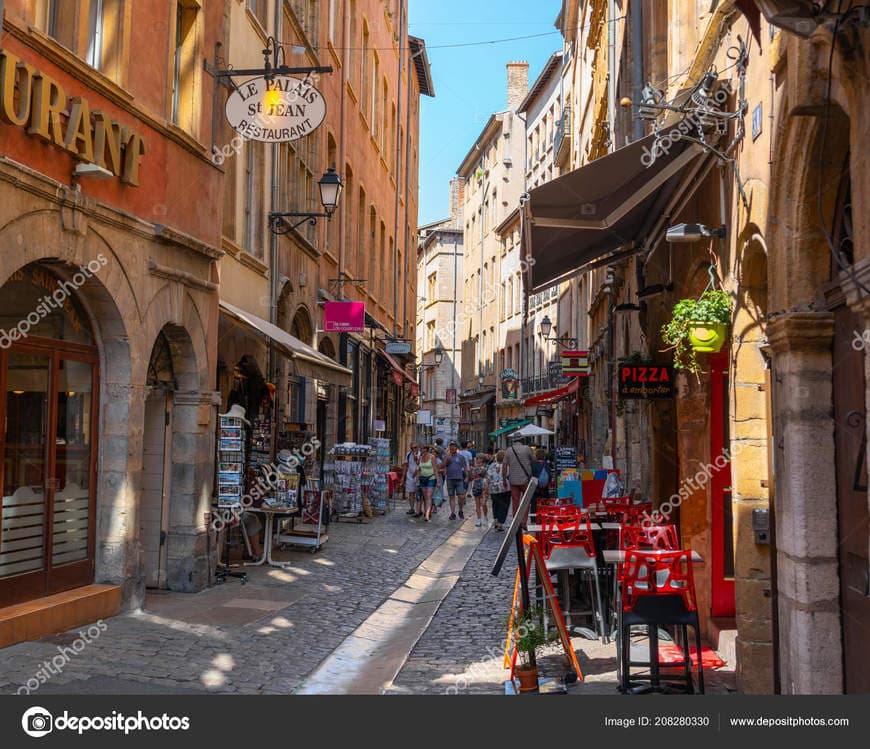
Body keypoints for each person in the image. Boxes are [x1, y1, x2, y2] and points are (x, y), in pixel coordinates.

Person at [504, 438, 535, 524]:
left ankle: (515, 521)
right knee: (526, 500)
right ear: (522, 440)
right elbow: (534, 460)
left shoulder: (509, 450)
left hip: (513, 480)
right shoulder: (527, 448)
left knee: (515, 501)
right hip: (525, 479)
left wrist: (504, 480)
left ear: (514, 441)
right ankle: (524, 521)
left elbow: (504, 466)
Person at [443, 441, 469, 520]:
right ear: (449, 448)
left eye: (454, 446)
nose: (452, 448)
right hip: (450, 479)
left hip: (459, 478)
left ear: (456, 448)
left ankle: (460, 510)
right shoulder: (447, 456)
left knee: (461, 496)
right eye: (451, 446)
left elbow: (465, 467)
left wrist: (467, 476)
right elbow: (443, 465)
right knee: (451, 496)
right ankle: (452, 513)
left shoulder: (461, 457)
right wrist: (446, 461)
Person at [487, 450, 510, 531]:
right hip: (504, 488)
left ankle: (496, 520)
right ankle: (500, 523)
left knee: (495, 504)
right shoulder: (506, 466)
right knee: (504, 505)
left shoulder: (492, 465)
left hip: (493, 489)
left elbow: (488, 476)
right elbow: (508, 475)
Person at [413, 446, 438, 521]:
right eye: (421, 449)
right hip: (422, 479)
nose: (421, 450)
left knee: (428, 496)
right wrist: (416, 479)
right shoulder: (420, 458)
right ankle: (428, 512)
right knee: (425, 497)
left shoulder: (432, 457)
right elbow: (419, 469)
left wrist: (438, 481)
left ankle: (426, 515)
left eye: (422, 449)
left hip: (431, 478)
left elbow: (435, 469)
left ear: (426, 450)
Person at [530, 448, 551, 519]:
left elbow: (531, 476)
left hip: (535, 488)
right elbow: (550, 476)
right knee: (545, 504)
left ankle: (533, 519)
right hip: (545, 489)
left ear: (536, 456)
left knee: (534, 504)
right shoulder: (547, 465)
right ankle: (544, 518)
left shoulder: (533, 465)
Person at [470, 454, 488, 527]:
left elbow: (487, 477)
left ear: (483, 462)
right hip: (476, 487)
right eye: (477, 460)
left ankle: (485, 517)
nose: (478, 461)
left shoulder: (486, 468)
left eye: (480, 460)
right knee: (477, 504)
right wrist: (472, 472)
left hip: (483, 488)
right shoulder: (475, 469)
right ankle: (478, 519)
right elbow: (472, 477)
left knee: (483, 504)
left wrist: (486, 487)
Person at [402, 443, 420, 515]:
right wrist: (403, 476)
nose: (413, 449)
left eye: (415, 447)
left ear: (417, 447)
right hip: (410, 475)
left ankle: (419, 509)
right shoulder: (408, 454)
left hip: (418, 476)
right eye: (412, 448)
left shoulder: (420, 454)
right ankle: (412, 508)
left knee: (419, 494)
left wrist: (416, 457)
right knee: (411, 493)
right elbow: (406, 465)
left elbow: (419, 464)